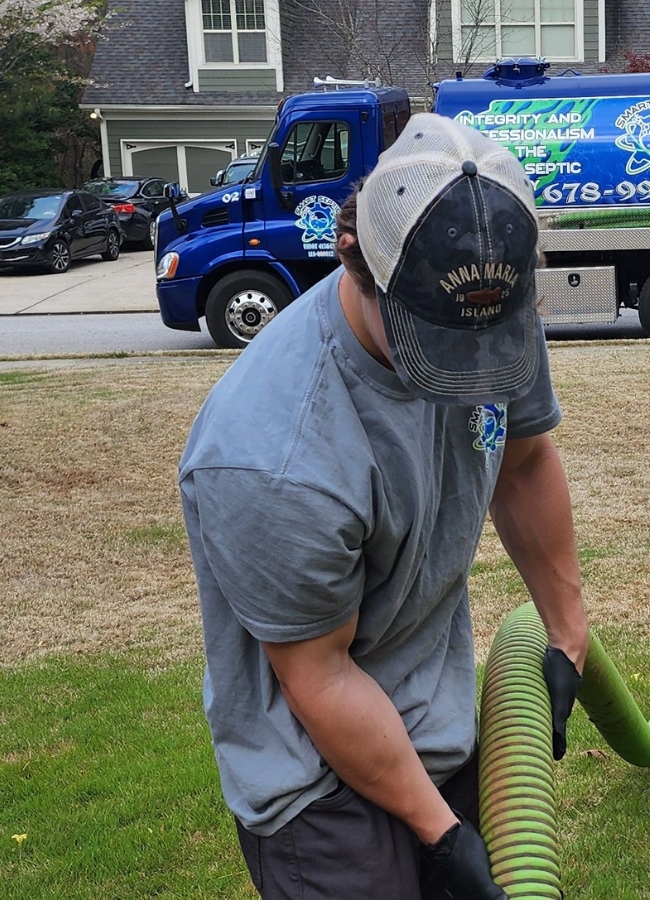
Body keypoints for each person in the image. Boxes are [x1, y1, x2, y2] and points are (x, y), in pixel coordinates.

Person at [178, 113, 589, 900]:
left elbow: (525, 461)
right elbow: (320, 676)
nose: (470, 369)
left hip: (434, 719)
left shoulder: (488, 313)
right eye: (434, 339)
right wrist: (441, 836)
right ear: (353, 257)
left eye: (486, 341)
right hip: (316, 778)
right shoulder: (275, 455)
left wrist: (567, 638)